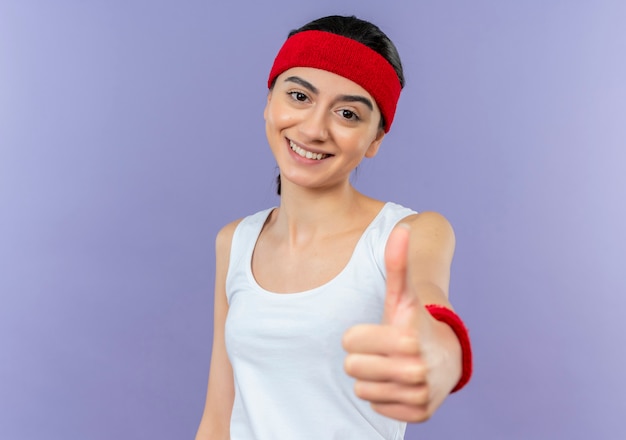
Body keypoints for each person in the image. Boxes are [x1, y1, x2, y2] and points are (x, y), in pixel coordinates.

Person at [195, 15, 472, 440]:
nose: (313, 128)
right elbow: (218, 419)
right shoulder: (234, 241)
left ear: (375, 140)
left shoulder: (409, 233)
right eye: (299, 95)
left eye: (347, 113)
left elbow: (433, 310)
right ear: (269, 103)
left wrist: (441, 356)